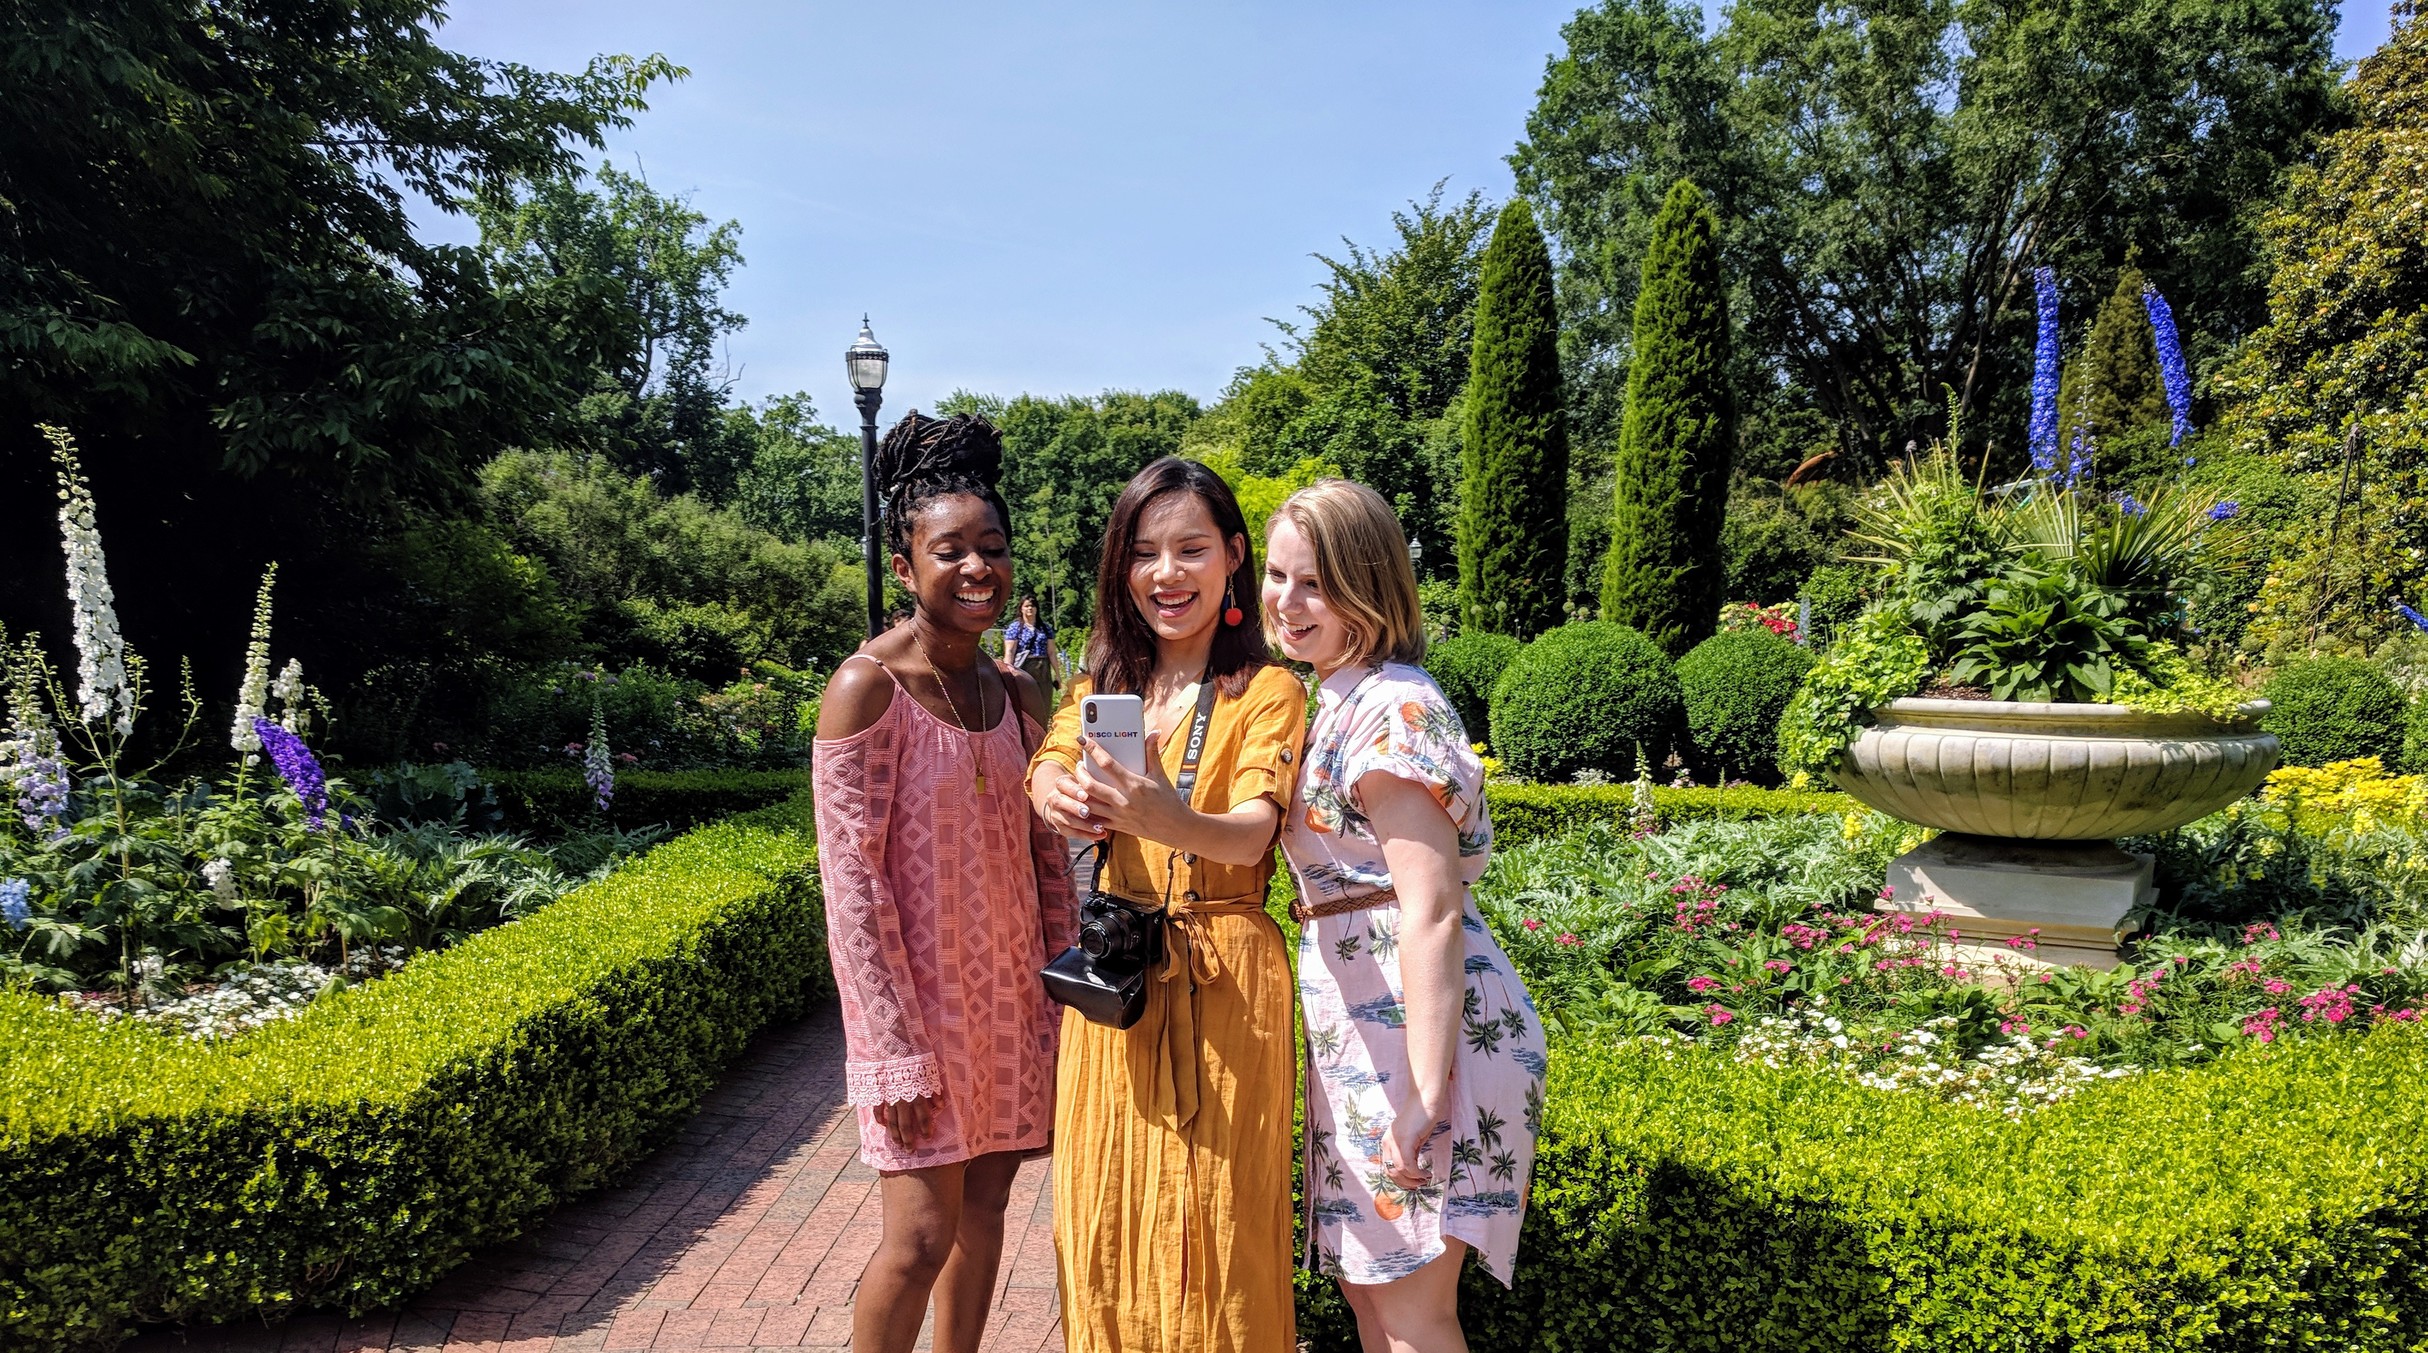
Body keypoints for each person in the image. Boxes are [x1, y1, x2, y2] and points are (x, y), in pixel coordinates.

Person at [1025, 456, 1307, 1352]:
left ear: (1232, 557)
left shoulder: (1267, 689)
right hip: (1120, 983)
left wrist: (1170, 817)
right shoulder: (1102, 685)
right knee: (1104, 1210)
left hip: (1227, 982)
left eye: (1191, 548)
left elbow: (1255, 832)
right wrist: (1055, 792)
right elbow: (1051, 760)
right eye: (1144, 552)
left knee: (1219, 1227)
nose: (1166, 573)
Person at [811, 412, 1078, 1353]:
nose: (978, 569)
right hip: (917, 1018)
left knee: (988, 1210)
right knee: (918, 1238)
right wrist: (891, 1049)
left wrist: (1060, 995)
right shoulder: (866, 689)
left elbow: (1051, 862)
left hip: (1008, 1004)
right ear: (904, 565)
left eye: (993, 549)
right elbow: (853, 892)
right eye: (951, 550)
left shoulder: (1019, 694)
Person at [1262, 479, 1545, 1353]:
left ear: (1370, 585)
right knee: (1375, 1303)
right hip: (1367, 1035)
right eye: (1277, 576)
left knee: (1416, 1316)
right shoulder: (1341, 698)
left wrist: (1423, 1091)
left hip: (1415, 1045)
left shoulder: (1390, 708)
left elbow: (1429, 909)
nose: (1286, 602)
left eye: (1314, 582)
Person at [1003, 594, 1060, 709]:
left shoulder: (1045, 628)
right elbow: (1010, 651)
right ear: (1021, 608)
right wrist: (1008, 671)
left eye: (1033, 606)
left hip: (1043, 669)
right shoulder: (1015, 628)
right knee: (1024, 703)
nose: (1030, 608)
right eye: (1027, 606)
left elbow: (1052, 653)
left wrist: (1058, 674)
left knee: (1044, 702)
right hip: (1023, 667)